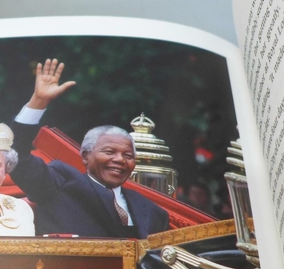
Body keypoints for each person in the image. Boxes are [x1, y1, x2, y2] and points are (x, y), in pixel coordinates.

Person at [10, 58, 169, 238]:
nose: (119, 160)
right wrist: (38, 101)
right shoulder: (59, 184)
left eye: (128, 155)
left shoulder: (152, 211)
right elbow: (17, 157)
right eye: (109, 152)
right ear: (85, 156)